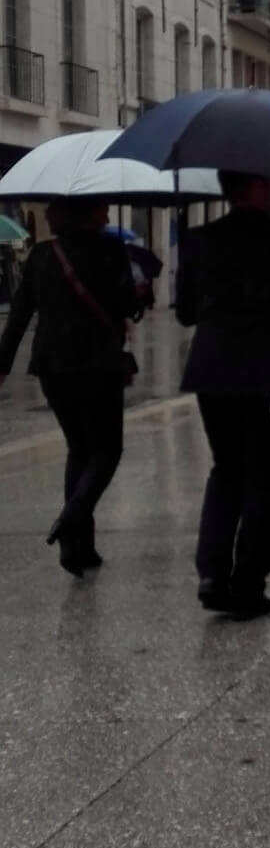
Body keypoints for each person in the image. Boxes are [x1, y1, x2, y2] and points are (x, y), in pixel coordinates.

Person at [176, 170, 270, 619]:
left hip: (211, 369)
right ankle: (248, 583)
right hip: (269, 370)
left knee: (226, 469)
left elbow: (185, 313)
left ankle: (211, 573)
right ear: (260, 188)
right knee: (266, 475)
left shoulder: (198, 239)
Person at [0, 203, 138, 576]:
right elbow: (128, 304)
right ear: (87, 214)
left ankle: (78, 548)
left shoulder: (43, 254)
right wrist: (139, 291)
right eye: (103, 211)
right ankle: (71, 518)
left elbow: (20, 312)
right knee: (107, 451)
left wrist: (3, 363)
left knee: (79, 449)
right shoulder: (111, 251)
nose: (108, 217)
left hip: (51, 366)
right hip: (97, 364)